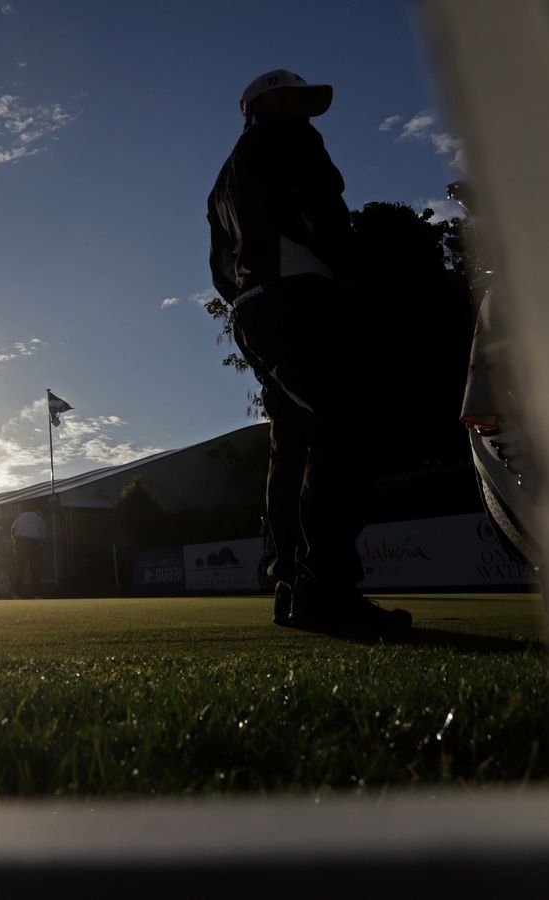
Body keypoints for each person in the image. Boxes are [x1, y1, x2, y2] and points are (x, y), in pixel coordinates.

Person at [207, 68, 409, 635]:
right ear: (264, 103)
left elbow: (219, 268)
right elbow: (324, 210)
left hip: (254, 310)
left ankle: (291, 582)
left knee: (293, 438)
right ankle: (327, 588)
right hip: (300, 298)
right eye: (294, 98)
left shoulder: (222, 180)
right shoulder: (290, 138)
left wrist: (251, 295)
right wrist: (348, 274)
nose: (305, 109)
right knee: (344, 425)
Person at [10, 508, 45, 598]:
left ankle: (17, 594)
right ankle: (36, 595)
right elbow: (42, 538)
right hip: (33, 542)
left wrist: (15, 543)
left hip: (20, 541)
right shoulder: (40, 519)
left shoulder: (21, 515)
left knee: (20, 568)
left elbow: (12, 530)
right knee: (34, 569)